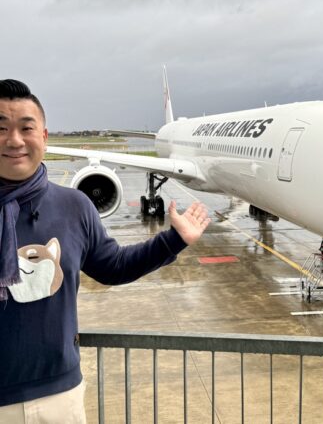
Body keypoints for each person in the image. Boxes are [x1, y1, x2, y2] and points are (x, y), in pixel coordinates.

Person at [0, 79, 210, 423]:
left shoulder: (73, 207)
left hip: (59, 396)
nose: (14, 140)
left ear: (44, 137)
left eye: (26, 128)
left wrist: (173, 240)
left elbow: (113, 267)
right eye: (1, 129)